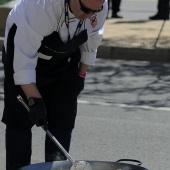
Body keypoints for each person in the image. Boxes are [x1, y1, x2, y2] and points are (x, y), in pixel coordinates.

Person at [1, 0, 108, 169]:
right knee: (19, 121)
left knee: (63, 117)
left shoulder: (98, 7)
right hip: (23, 52)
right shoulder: (41, 8)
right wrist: (34, 100)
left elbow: (92, 42)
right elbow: (23, 64)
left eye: (94, 11)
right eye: (85, 10)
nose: (89, 16)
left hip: (64, 57)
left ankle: (57, 166)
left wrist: (80, 75)